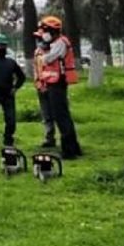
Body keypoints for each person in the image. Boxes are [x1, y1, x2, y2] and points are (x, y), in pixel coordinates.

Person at [38, 15, 83, 159]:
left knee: (61, 117)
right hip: (53, 82)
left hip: (58, 83)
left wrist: (42, 53)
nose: (43, 34)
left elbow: (48, 59)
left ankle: (69, 151)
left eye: (45, 30)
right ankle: (74, 148)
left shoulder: (60, 43)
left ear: (52, 30)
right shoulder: (56, 42)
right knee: (63, 116)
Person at [32, 30, 55, 148]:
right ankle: (49, 138)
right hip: (41, 87)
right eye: (37, 39)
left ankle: (66, 137)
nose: (38, 41)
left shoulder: (55, 51)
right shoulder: (37, 52)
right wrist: (39, 84)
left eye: (40, 38)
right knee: (46, 114)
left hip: (54, 87)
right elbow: (36, 70)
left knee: (58, 113)